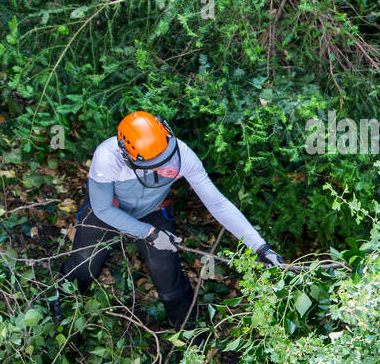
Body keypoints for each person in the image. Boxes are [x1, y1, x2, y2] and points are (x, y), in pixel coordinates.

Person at [53, 111, 284, 329]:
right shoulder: (107, 156)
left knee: (167, 271)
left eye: (165, 161)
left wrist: (259, 246)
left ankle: (188, 327)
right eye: (152, 165)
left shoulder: (182, 154)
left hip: (152, 211)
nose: (163, 168)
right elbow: (102, 208)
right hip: (109, 209)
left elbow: (218, 204)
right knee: (85, 262)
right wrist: (148, 233)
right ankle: (64, 304)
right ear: (126, 154)